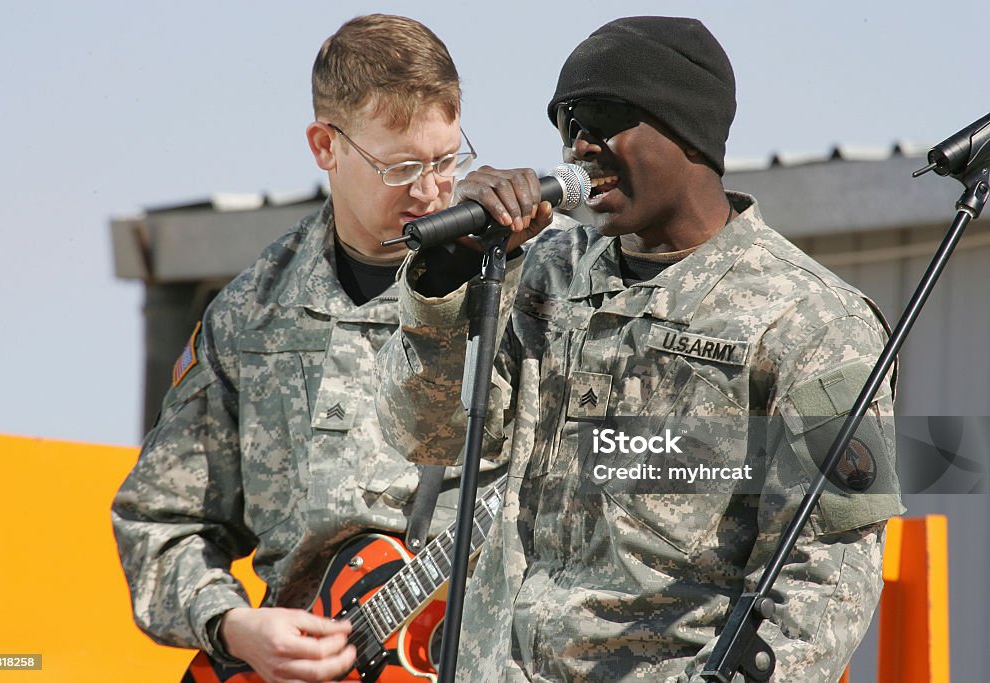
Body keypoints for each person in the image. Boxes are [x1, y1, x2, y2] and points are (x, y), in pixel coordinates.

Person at [376, 16, 904, 682]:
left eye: (601, 120)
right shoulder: (542, 275)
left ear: (687, 126)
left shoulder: (817, 321)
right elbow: (425, 436)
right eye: (567, 126)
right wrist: (453, 273)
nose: (579, 149)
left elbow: (827, 582)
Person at [111, 14, 505, 683]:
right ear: (325, 146)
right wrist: (234, 624)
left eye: (444, 160)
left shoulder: (516, 280)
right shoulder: (248, 313)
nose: (430, 188)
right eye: (402, 166)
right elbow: (159, 519)